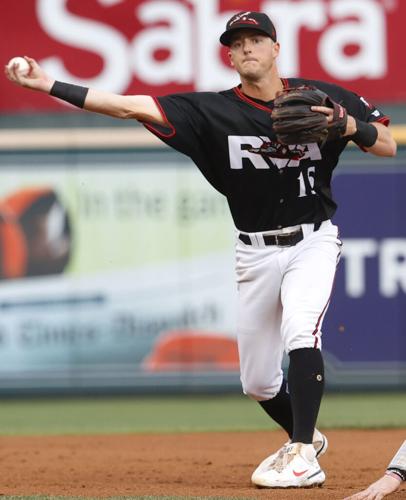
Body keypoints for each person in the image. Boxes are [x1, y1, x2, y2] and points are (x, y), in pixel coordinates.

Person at [5, 11, 397, 489]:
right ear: (229, 56)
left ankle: (299, 453)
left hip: (312, 241)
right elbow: (128, 106)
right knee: (257, 383)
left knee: (300, 330)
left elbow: (387, 146)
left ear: (276, 49)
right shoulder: (209, 112)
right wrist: (49, 84)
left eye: (257, 39)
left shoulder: (321, 98)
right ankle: (308, 436)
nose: (248, 47)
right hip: (253, 251)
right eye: (238, 43)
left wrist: (348, 125)